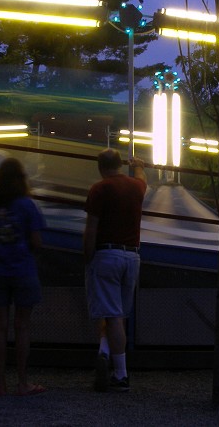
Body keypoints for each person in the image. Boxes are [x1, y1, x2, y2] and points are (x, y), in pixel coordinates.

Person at [0, 157, 46, 396]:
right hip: (23, 270)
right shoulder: (27, 205)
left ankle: (1, 383)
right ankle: (23, 382)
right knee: (22, 327)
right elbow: (37, 241)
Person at [83, 149, 147, 392]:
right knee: (115, 313)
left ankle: (121, 375)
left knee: (112, 315)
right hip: (132, 255)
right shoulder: (136, 187)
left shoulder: (99, 189)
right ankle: (104, 350)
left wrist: (87, 256)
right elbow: (143, 179)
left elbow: (91, 229)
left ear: (100, 167)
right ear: (120, 165)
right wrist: (139, 165)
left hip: (106, 254)